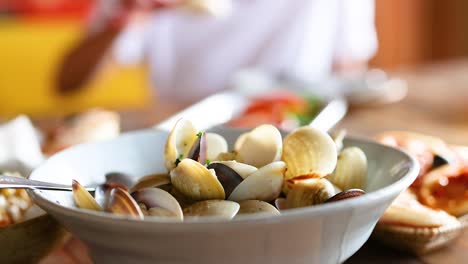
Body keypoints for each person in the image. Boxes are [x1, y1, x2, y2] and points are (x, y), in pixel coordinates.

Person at [56, 0, 377, 103]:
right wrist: (126, 16)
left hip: (296, 126)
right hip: (184, 136)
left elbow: (350, 70)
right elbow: (68, 81)